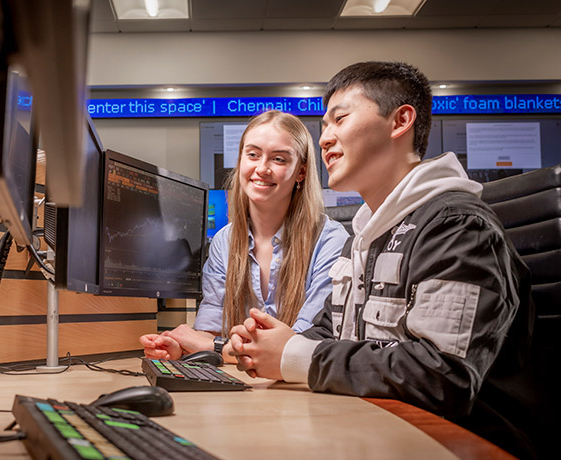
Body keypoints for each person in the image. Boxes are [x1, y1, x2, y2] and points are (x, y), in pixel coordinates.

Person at [229, 62, 543, 458]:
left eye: (340, 119)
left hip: (454, 444)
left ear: (401, 121)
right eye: (323, 125)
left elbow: (442, 377)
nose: (324, 138)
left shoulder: (458, 227)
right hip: (373, 429)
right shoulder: (365, 235)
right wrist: (270, 343)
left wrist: (292, 356)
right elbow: (330, 333)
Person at [140, 110, 349, 362]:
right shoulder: (224, 242)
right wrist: (182, 349)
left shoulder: (331, 241)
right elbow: (209, 332)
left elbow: (301, 346)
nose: (262, 168)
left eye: (279, 159)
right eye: (252, 154)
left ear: (301, 172)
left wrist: (213, 347)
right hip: (242, 386)